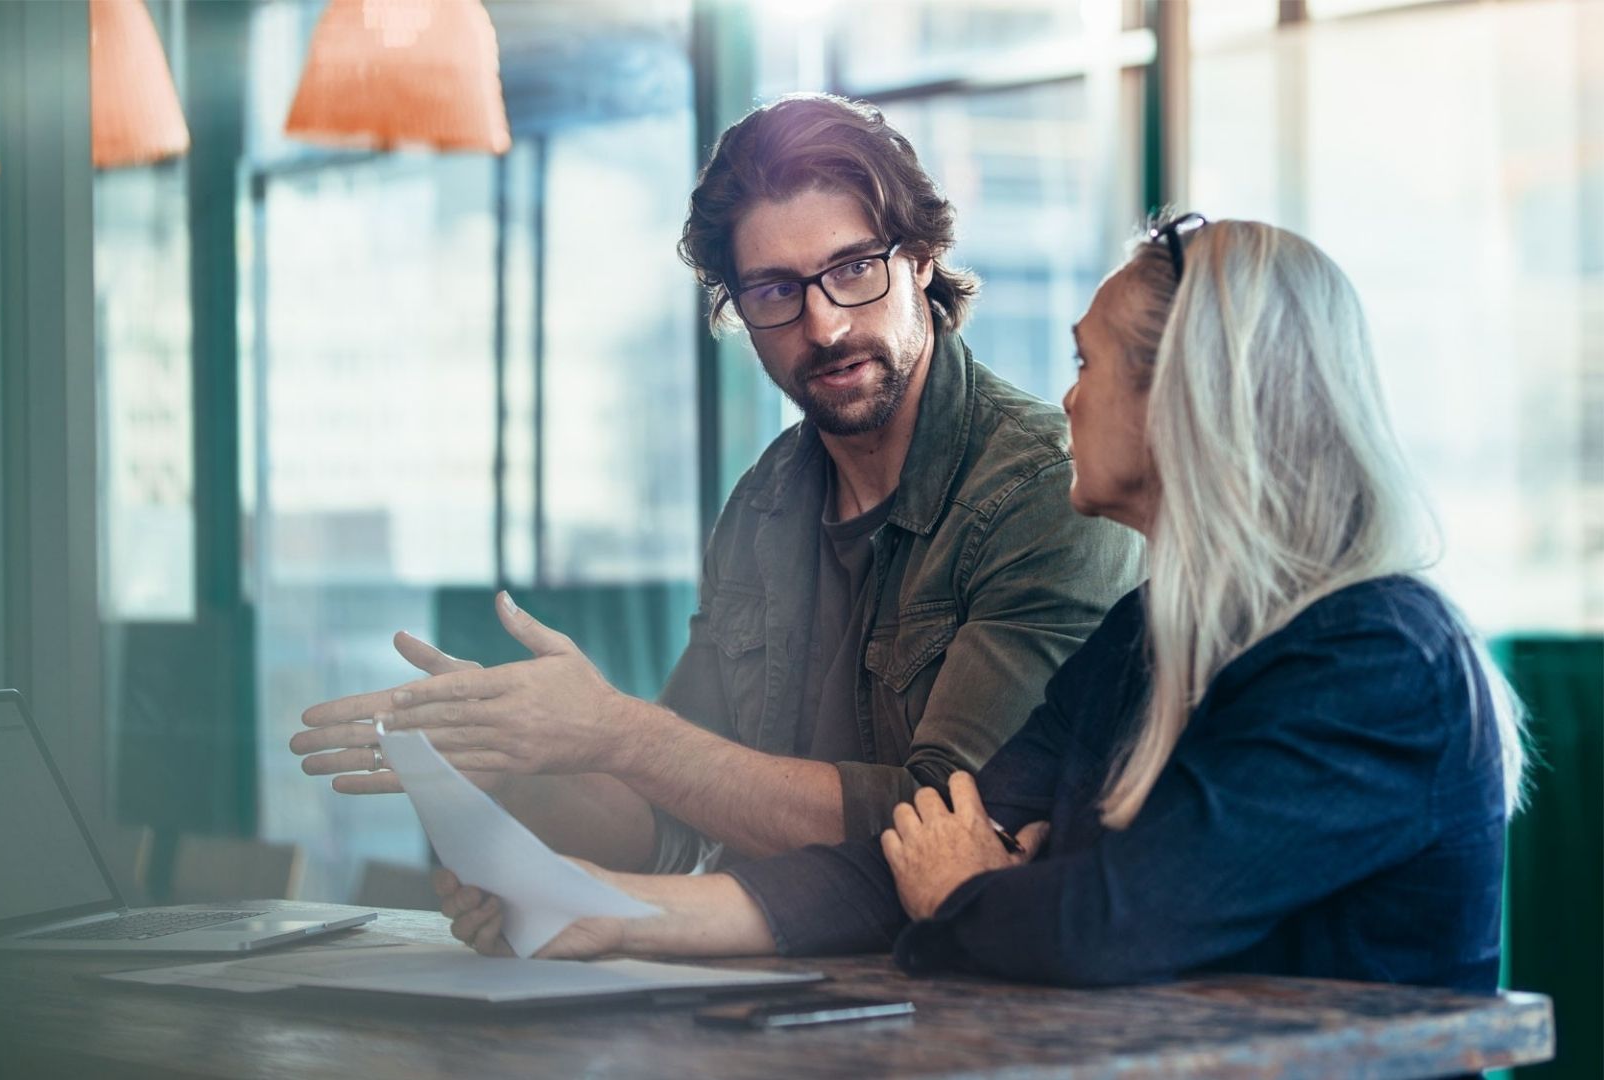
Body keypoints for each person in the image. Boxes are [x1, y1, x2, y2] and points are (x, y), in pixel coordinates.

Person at [436, 216, 1531, 993]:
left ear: (1187, 399)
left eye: (1087, 362)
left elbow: (1109, 924)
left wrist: (969, 890)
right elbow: (902, 854)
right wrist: (599, 908)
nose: (1066, 396)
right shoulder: (1147, 639)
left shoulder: (1374, 660)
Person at [289, 94, 1140, 874]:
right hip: (763, 990)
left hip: (972, 999)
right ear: (738, 311)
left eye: (853, 270)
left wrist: (619, 732)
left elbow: (954, 825)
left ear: (919, 260)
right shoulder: (765, 505)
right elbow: (670, 822)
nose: (825, 324)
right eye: (775, 290)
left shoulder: (1046, 489)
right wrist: (509, 756)